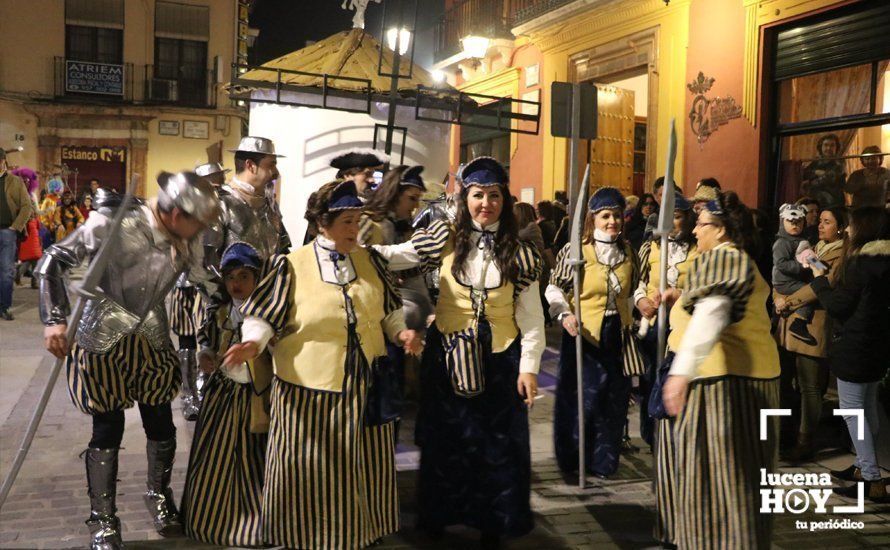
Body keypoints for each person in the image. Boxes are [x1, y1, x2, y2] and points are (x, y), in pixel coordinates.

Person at [224, 179, 420, 549]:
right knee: (309, 471)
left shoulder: (371, 261)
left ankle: (357, 534)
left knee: (361, 465)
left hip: (363, 387)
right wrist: (252, 343)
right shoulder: (290, 266)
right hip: (307, 395)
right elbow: (263, 317)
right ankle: (305, 538)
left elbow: (388, 310)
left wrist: (401, 334)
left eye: (358, 219)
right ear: (322, 224)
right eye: (346, 221)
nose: (354, 229)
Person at [36, 172, 220, 550]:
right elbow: (53, 260)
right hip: (102, 333)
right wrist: (54, 320)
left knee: (161, 422)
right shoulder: (111, 223)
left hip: (152, 332)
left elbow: (208, 282)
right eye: (195, 222)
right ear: (173, 213)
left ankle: (158, 496)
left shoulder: (189, 237)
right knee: (108, 428)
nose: (200, 230)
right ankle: (103, 519)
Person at [374, 157, 545, 548]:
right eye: (478, 195)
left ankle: (491, 523)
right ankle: (438, 517)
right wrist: (352, 246)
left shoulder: (521, 254)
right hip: (447, 358)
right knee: (445, 441)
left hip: (501, 360)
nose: (486, 203)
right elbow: (399, 256)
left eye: (494, 195)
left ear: (505, 198)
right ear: (465, 197)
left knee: (497, 446)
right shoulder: (444, 236)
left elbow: (532, 317)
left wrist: (530, 368)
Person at [660, 191, 780, 549]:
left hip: (725, 385)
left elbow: (713, 310)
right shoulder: (737, 260)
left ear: (722, 229)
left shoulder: (723, 258)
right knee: (745, 483)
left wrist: (681, 371)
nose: (695, 231)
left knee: (720, 484)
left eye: (702, 224)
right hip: (750, 380)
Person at [546, 187, 641, 480]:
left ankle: (603, 460)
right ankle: (574, 460)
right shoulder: (576, 251)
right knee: (581, 399)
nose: (612, 221)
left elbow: (634, 289)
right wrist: (564, 313)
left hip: (618, 333)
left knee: (613, 399)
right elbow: (554, 287)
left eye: (616, 216)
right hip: (583, 333)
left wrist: (642, 305)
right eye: (605, 216)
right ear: (593, 219)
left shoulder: (628, 252)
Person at [181, 242, 268, 547]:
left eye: (244, 276)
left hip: (255, 398)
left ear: (257, 278)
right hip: (222, 396)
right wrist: (205, 353)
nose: (236, 284)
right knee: (215, 459)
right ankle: (216, 519)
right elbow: (206, 338)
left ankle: (255, 522)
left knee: (253, 460)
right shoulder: (219, 311)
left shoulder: (266, 313)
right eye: (231, 277)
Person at [807, 207, 890, 502]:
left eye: (852, 226)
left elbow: (839, 306)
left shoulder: (859, 264)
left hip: (855, 347)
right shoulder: (885, 262)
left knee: (854, 413)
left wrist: (819, 279)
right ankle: (861, 465)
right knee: (867, 409)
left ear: (864, 229)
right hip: (877, 346)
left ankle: (871, 479)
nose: (849, 231)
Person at [359, 165, 433, 432]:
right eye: (411, 198)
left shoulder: (405, 228)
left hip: (401, 325)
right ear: (394, 193)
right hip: (375, 327)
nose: (414, 207)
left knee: (393, 403)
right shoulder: (368, 222)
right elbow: (355, 264)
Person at [774, 206, 848, 463]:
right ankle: (787, 434)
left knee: (810, 387)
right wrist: (778, 297)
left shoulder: (840, 253)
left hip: (814, 326)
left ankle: (806, 441)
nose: (820, 225)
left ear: (839, 227)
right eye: (820, 221)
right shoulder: (814, 247)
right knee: (789, 382)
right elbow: (785, 276)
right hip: (791, 323)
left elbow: (821, 285)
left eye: (827, 222)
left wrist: (789, 301)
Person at [633, 193, 697, 451]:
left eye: (678, 217)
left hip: (684, 323)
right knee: (651, 377)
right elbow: (637, 281)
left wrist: (681, 296)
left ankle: (677, 432)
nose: (672, 223)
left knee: (678, 374)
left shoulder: (697, 249)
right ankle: (651, 434)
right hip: (654, 321)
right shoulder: (651, 246)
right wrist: (641, 301)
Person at [772, 203, 817, 345]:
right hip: (785, 281)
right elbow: (781, 264)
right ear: (782, 222)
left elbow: (810, 257)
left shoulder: (802, 240)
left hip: (792, 280)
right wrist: (802, 266)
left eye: (798, 222)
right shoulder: (782, 242)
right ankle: (799, 322)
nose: (794, 225)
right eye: (790, 222)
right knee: (808, 293)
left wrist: (820, 266)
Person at [0, 148, 34, 320]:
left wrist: (16, 227)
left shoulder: (15, 181)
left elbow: (27, 206)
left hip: (7, 231)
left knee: (6, 271)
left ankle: (4, 307)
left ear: (3, 161)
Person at [802, 133, 846, 209]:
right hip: (815, 202)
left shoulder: (839, 162)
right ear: (821, 147)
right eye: (826, 145)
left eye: (832, 145)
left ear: (836, 148)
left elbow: (830, 178)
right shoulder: (815, 161)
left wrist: (811, 182)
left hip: (834, 202)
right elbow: (805, 174)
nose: (829, 148)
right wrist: (817, 172)